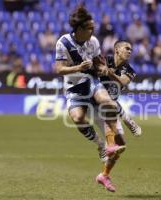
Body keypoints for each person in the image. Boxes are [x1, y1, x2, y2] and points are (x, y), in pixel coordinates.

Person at [55, 5, 125, 164]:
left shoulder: (93, 41)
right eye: (89, 29)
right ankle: (100, 145)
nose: (92, 32)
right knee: (78, 118)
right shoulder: (63, 43)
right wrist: (78, 68)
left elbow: (97, 62)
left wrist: (102, 69)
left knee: (108, 103)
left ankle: (111, 144)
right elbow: (59, 69)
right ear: (79, 29)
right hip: (74, 85)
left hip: (91, 80)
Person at [94, 40, 141, 192]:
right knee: (108, 111)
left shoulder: (130, 70)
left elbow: (122, 81)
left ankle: (104, 175)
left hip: (112, 106)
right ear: (116, 50)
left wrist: (110, 73)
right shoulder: (103, 60)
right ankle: (111, 144)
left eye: (131, 49)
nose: (129, 51)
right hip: (96, 104)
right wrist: (102, 69)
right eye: (126, 48)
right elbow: (95, 70)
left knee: (122, 145)